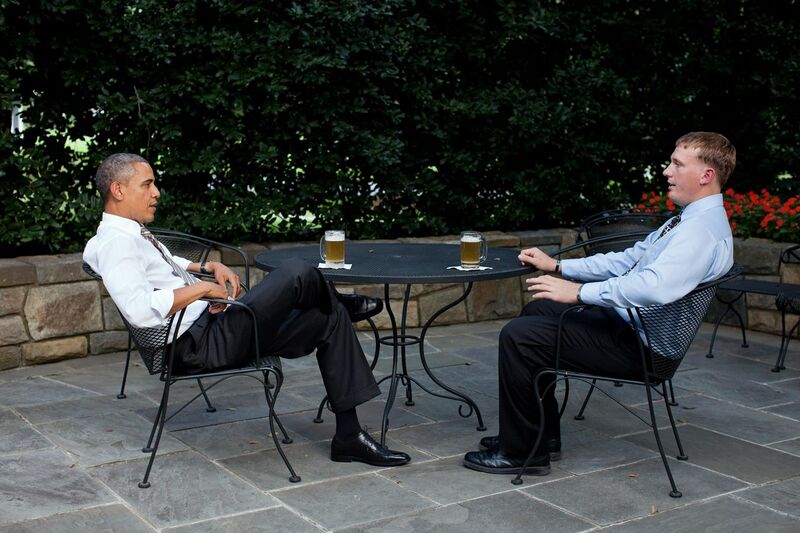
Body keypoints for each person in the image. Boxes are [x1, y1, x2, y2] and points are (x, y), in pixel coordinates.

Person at [83, 153, 411, 468]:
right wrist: (204, 288)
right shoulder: (117, 243)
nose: (156, 192)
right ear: (119, 189)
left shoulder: (123, 233)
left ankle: (348, 437)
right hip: (197, 346)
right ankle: (338, 299)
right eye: (147, 184)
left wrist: (207, 266)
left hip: (212, 328)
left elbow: (164, 265)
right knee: (296, 270)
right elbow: (138, 309)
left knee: (329, 318)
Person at [463, 132, 736, 476]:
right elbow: (629, 260)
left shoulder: (700, 231)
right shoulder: (688, 220)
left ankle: (522, 454)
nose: (667, 171)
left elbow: (653, 287)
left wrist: (577, 293)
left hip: (643, 349)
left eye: (677, 164)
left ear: (706, 175)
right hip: (631, 327)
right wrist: (560, 267)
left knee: (521, 336)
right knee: (539, 310)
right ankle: (540, 436)